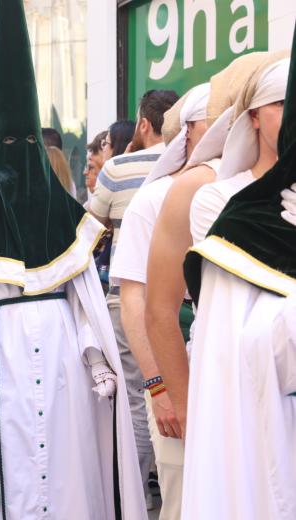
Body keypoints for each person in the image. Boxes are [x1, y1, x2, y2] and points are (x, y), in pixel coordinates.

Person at [0, 1, 146, 518]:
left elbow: (83, 300)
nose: (21, 154)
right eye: (10, 145)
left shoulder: (67, 220)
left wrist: (95, 357)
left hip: (66, 362)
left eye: (30, 143)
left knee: (67, 461)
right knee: (7, 457)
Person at [145, 51, 288, 457]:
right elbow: (158, 308)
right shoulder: (208, 196)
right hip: (236, 392)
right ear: (252, 117)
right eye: (281, 103)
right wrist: (188, 409)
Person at [179, 44, 295, 518]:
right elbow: (240, 343)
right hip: (269, 417)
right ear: (251, 117)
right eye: (279, 104)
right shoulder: (223, 210)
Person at [110, 83, 210, 520]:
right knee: (181, 491)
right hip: (174, 361)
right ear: (186, 132)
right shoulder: (151, 200)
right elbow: (135, 298)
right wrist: (159, 386)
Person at [90, 87, 179, 506]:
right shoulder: (187, 167)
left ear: (143, 123)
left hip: (128, 299)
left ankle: (136, 498)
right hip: (179, 300)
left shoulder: (118, 168)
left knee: (139, 397)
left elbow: (92, 227)